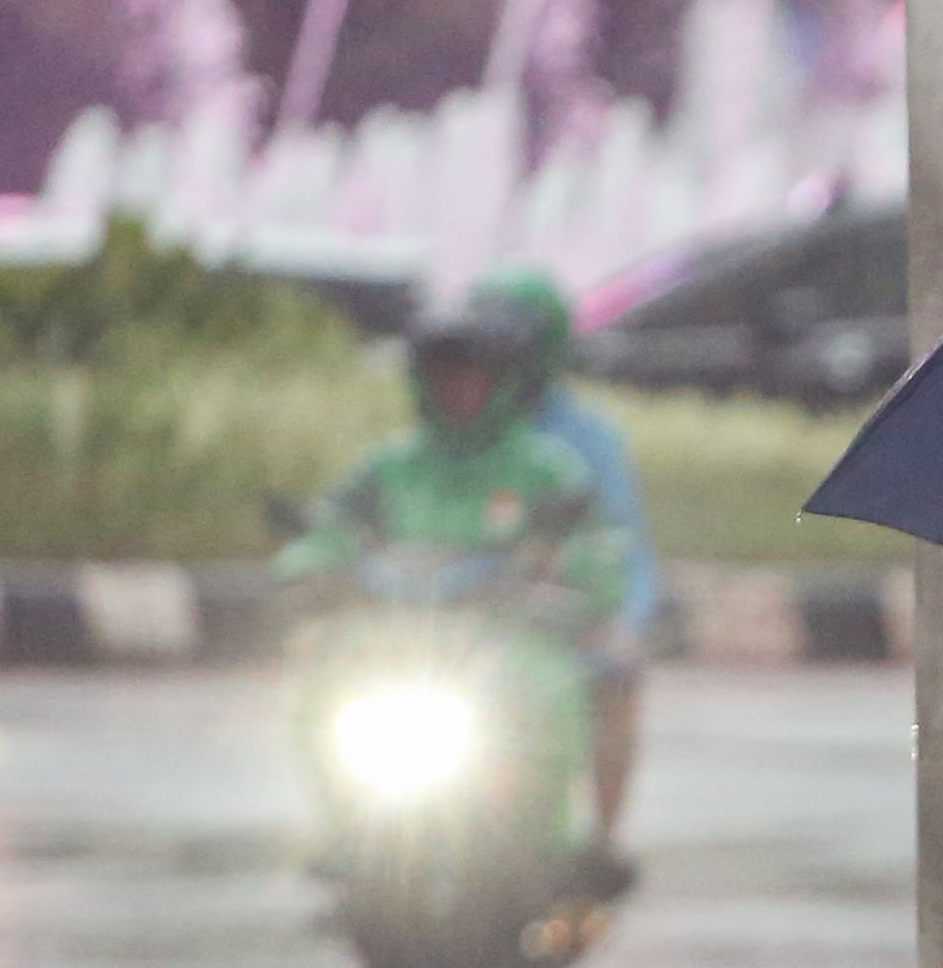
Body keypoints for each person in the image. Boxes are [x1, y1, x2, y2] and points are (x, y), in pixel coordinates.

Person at [277, 288, 633, 886]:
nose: (460, 391)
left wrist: (572, 579)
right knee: (323, 673)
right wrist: (310, 567)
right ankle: (343, 826)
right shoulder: (389, 467)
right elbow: (330, 532)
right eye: (446, 376)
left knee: (580, 681)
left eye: (475, 377)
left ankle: (559, 837)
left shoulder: (547, 470)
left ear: (502, 383)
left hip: (508, 645)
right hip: (402, 647)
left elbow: (595, 551)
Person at [479, 268, 672, 848]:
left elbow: (626, 544)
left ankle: (602, 840)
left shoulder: (588, 440)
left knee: (616, 681)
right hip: (459, 618)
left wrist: (624, 622)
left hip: (554, 619)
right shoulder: (447, 435)